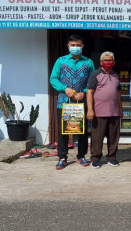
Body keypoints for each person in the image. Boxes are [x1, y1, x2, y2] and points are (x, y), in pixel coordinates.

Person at [49, 34, 95, 170]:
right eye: (73, 45)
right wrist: (65, 88)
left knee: (81, 131)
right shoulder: (61, 61)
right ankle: (62, 157)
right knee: (63, 131)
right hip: (64, 102)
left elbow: (93, 81)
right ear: (68, 46)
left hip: (81, 103)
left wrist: (84, 92)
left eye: (78, 45)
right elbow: (53, 79)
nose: (75, 47)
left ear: (82, 46)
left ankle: (81, 155)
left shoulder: (88, 62)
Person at [86, 51, 123, 169]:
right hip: (99, 112)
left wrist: (120, 109)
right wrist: (90, 109)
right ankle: (95, 158)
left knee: (113, 137)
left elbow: (118, 94)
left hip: (114, 112)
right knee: (97, 137)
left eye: (110, 60)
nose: (108, 62)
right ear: (101, 62)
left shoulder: (115, 75)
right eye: (106, 60)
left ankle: (111, 157)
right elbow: (90, 92)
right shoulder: (95, 75)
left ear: (114, 62)